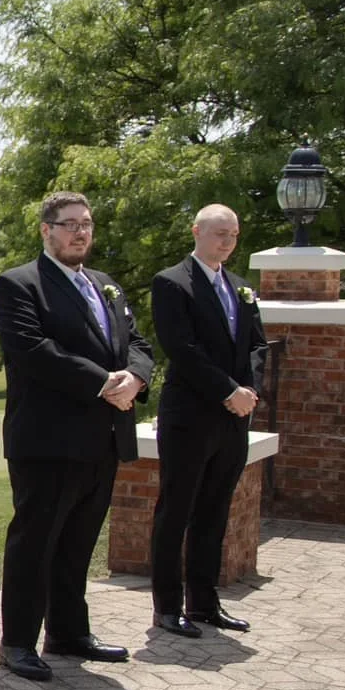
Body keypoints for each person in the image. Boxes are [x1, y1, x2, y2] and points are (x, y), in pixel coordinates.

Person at [0, 192, 153, 681]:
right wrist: (103, 382)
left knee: (78, 541)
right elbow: (33, 351)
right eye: (68, 225)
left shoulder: (106, 287)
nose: (79, 232)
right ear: (45, 230)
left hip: (103, 437)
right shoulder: (21, 285)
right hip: (48, 440)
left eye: (86, 224)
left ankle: (67, 632)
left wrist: (136, 378)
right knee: (35, 544)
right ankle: (17, 642)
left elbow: (138, 344)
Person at [148, 204, 266, 636]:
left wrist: (250, 391)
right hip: (190, 416)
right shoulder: (172, 282)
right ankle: (166, 607)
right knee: (176, 510)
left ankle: (204, 602)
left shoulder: (240, 288)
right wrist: (226, 391)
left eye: (233, 235)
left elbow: (257, 346)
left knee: (215, 511)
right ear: (197, 231)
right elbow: (181, 347)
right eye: (219, 233)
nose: (227, 242)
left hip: (234, 419)